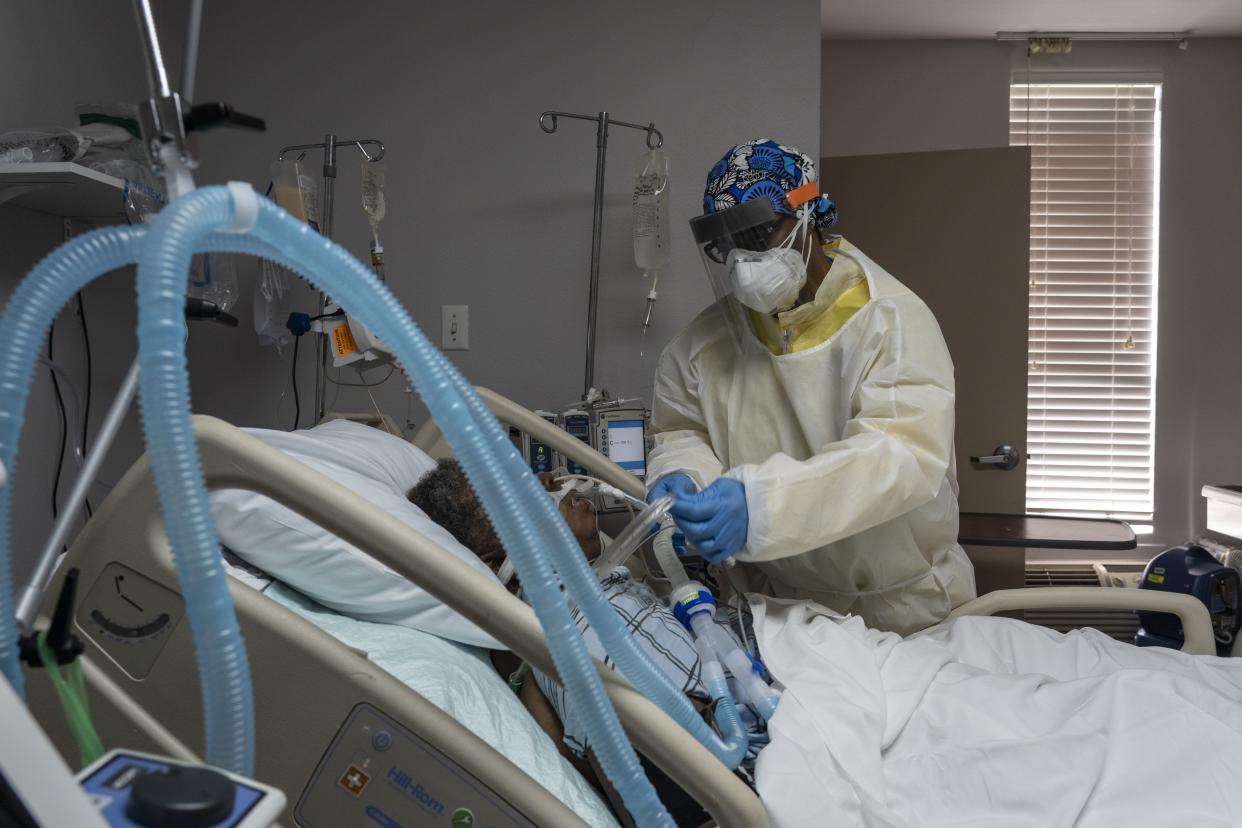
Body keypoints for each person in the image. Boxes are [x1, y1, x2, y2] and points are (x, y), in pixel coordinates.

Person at [647, 138, 975, 636]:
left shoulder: (891, 322)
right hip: (775, 613)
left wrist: (761, 506)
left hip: (902, 613)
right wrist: (685, 474)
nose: (742, 262)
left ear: (809, 215)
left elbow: (901, 456)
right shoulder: (699, 348)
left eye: (760, 233)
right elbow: (682, 431)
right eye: (726, 245)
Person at [408, 459, 766, 822]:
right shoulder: (592, 632)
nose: (547, 479)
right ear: (500, 561)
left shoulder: (601, 597)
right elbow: (693, 801)